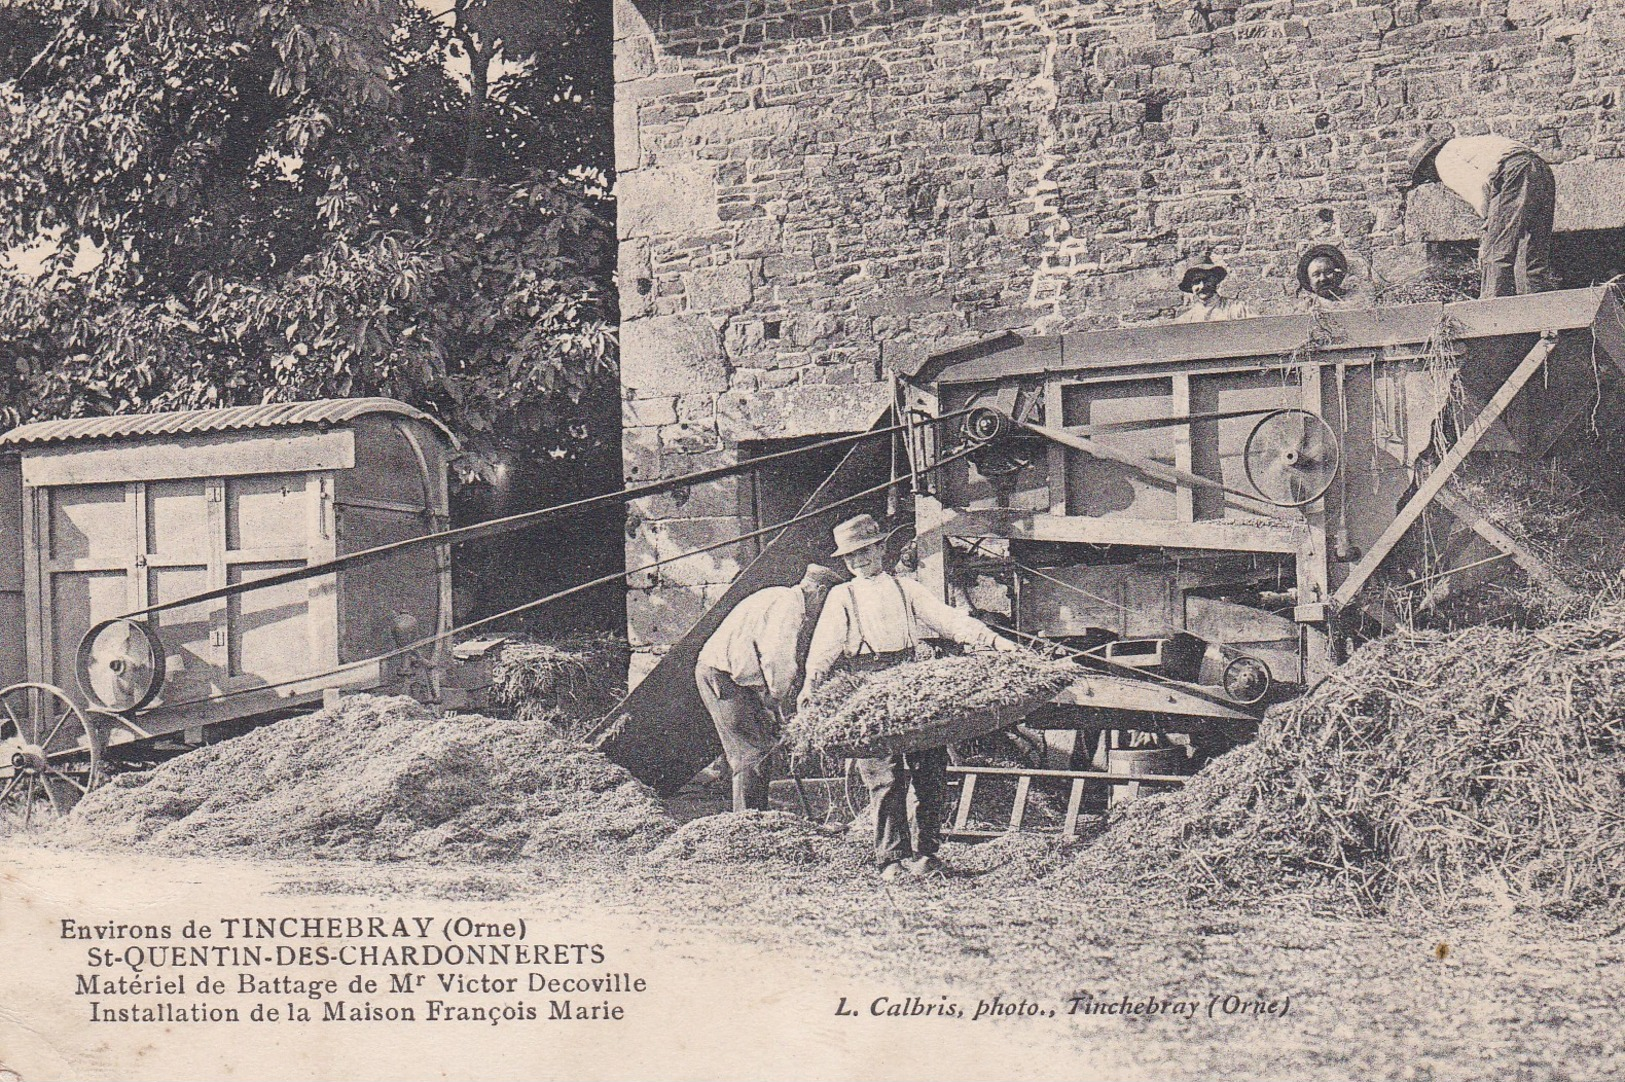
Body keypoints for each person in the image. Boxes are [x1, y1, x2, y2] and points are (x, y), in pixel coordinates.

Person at [798, 514, 1020, 882]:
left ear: (881, 548)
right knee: (884, 777)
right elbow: (825, 647)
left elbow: (949, 621)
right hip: (866, 687)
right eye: (851, 556)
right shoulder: (842, 595)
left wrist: (995, 642)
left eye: (865, 551)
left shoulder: (907, 588)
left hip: (908, 681)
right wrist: (811, 683)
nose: (859, 561)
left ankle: (926, 853)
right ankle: (891, 860)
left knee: (930, 769)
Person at [695, 563, 843, 812]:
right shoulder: (789, 607)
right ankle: (748, 825)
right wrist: (776, 695)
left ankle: (756, 816)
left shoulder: (776, 594)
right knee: (751, 753)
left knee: (761, 747)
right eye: (824, 604)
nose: (821, 613)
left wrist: (767, 698)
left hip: (736, 678)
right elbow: (776, 658)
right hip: (722, 677)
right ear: (818, 592)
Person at [1408, 134, 1557, 298]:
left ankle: (1492, 309)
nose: (1431, 178)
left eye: (1426, 174)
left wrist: (1489, 220)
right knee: (1534, 249)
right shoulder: (1463, 146)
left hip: (1516, 171)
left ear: (1427, 163)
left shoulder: (1443, 160)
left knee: (1496, 249)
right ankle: (1539, 303)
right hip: (1541, 169)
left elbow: (1478, 188)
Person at [1174, 257, 1256, 323]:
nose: (1202, 286)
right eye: (1196, 281)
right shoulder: (1187, 319)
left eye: (1207, 280)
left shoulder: (1238, 308)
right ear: (1191, 286)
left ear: (1216, 280)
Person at [1293, 244, 1372, 312]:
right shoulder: (1306, 308)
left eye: (1328, 272)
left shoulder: (1357, 301)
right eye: (1316, 274)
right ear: (1309, 280)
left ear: (1337, 274)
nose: (1323, 278)